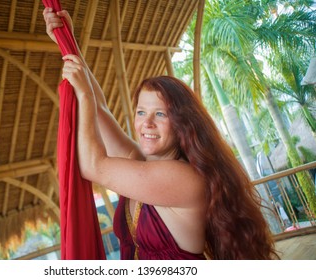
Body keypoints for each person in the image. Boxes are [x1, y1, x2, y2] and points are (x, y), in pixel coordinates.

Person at [43, 8, 279, 260]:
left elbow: (93, 167)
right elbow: (101, 109)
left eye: (161, 114)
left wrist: (83, 95)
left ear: (183, 124)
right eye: (141, 112)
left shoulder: (182, 177)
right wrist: (68, 44)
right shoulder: (137, 161)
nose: (147, 123)